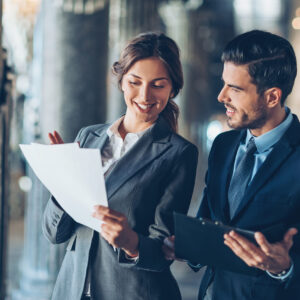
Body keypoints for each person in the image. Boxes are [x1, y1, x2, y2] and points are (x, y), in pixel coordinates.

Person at [42, 32, 198, 300]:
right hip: (73, 289)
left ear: (172, 89)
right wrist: (63, 179)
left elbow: (163, 253)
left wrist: (131, 242)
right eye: (134, 82)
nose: (144, 95)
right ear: (122, 82)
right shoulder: (88, 137)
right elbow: (54, 234)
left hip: (133, 291)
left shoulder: (179, 153)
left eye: (158, 85)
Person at [163, 30, 300, 300]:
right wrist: (186, 246)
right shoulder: (224, 145)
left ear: (272, 97)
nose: (221, 96)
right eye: (224, 83)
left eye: (235, 89)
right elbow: (210, 222)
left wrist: (285, 267)